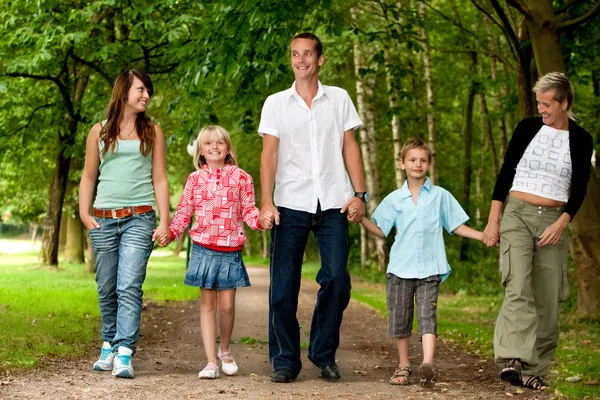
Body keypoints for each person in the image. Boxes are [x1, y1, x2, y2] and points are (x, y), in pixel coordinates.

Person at [258, 32, 368, 383]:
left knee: (337, 278)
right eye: (295, 54)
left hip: (335, 201)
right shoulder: (276, 103)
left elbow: (350, 145)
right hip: (290, 203)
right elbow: (269, 154)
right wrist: (266, 201)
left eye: (307, 54)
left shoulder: (338, 99)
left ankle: (323, 353)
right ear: (290, 59)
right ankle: (285, 361)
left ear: (320, 60)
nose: (301, 59)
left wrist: (360, 194)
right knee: (282, 288)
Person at [483, 72, 593, 391]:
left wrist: (563, 222)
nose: (541, 109)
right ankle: (513, 359)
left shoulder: (581, 139)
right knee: (517, 284)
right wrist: (493, 220)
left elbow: (581, 186)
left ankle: (535, 369)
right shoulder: (527, 128)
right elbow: (506, 173)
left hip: (554, 220)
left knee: (548, 295)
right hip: (517, 213)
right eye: (538, 103)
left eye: (547, 104)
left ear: (564, 103)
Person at [358, 138, 486, 388]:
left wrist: (482, 235)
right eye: (413, 160)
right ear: (402, 164)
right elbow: (381, 230)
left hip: (430, 269)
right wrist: (361, 218)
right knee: (400, 318)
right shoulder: (395, 199)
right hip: (400, 269)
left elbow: (455, 225)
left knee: (428, 315)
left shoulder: (440, 196)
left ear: (429, 164)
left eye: (423, 160)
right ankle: (404, 365)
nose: (418, 164)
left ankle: (427, 364)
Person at [79, 69, 170, 378]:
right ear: (124, 92)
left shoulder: (153, 131)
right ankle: (109, 344)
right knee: (106, 287)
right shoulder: (99, 131)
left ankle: (125, 352)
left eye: (148, 90)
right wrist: (84, 213)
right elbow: (89, 175)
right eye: (141, 89)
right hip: (103, 220)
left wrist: (165, 219)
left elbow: (159, 178)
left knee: (128, 285)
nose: (146, 95)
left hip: (140, 219)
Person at [164, 125, 273, 379]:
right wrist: (170, 233)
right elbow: (183, 211)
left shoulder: (242, 177)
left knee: (226, 306)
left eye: (220, 143)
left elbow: (248, 210)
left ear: (228, 149)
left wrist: (261, 221)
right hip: (203, 249)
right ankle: (211, 361)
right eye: (209, 143)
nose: (215, 147)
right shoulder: (194, 179)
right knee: (207, 305)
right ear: (201, 152)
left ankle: (225, 350)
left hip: (229, 249)